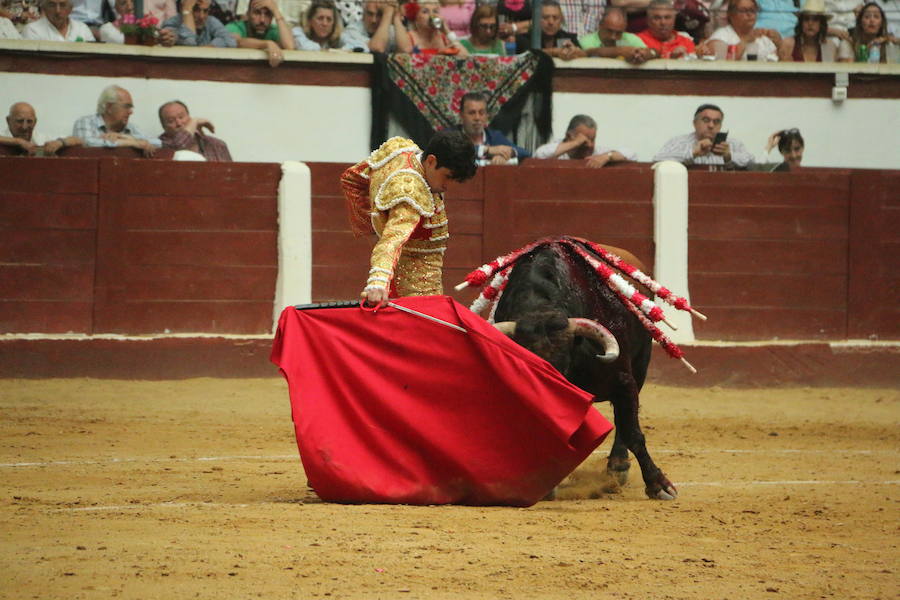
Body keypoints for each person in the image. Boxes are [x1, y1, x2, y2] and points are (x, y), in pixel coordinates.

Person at [341, 131, 477, 307]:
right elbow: (392, 239)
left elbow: (351, 180)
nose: (448, 186)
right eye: (447, 177)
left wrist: (372, 231)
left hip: (401, 276)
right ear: (431, 161)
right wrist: (378, 280)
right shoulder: (411, 192)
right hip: (416, 289)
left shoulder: (399, 150)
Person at [653, 103, 754, 169]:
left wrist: (729, 156)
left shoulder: (733, 144)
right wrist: (692, 153)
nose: (711, 125)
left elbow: (752, 164)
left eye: (716, 122)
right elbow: (657, 160)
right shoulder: (679, 142)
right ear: (695, 123)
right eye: (706, 120)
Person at [72, 85, 160, 156]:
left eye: (131, 107)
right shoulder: (85, 122)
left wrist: (128, 138)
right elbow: (86, 143)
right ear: (109, 107)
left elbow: (158, 143)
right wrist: (131, 143)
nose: (131, 112)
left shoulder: (131, 127)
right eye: (126, 107)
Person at [533, 114, 637, 167]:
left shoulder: (598, 152)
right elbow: (539, 155)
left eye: (593, 139)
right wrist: (575, 143)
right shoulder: (557, 150)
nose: (590, 145)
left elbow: (632, 154)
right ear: (569, 136)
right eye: (584, 141)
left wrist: (607, 157)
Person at [456, 91, 529, 166]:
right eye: (472, 113)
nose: (477, 118)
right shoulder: (451, 134)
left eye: (481, 113)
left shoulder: (494, 136)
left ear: (487, 116)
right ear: (461, 115)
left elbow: (526, 153)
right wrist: (487, 150)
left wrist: (508, 153)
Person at [158, 100, 232, 161]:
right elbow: (179, 145)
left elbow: (231, 172)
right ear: (164, 126)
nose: (179, 123)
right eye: (171, 121)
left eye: (181, 117)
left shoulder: (217, 145)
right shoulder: (159, 146)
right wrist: (195, 121)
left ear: (189, 117)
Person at [778, 0, 852, 62]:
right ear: (801, 23)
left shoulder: (830, 46)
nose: (810, 23)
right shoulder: (789, 44)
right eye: (806, 19)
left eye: (815, 19)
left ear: (821, 24)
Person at [226, 0, 294, 66]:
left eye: (267, 14)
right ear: (248, 14)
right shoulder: (235, 27)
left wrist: (276, 12)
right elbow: (237, 42)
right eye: (257, 13)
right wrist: (267, 44)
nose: (262, 20)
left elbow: (289, 47)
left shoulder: (273, 30)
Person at [708, 0, 782, 60]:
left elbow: (779, 64)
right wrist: (746, 40)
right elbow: (721, 65)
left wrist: (779, 45)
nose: (749, 14)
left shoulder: (764, 39)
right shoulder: (721, 36)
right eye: (743, 10)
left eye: (752, 10)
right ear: (731, 14)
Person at [1, 102, 81, 155]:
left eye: (29, 121)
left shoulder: (41, 138)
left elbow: (78, 140)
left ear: (35, 122)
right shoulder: (2, 136)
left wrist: (60, 142)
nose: (24, 127)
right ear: (8, 121)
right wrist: (18, 141)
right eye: (20, 121)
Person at [580, 7, 655, 63]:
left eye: (619, 33)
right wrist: (620, 51)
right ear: (600, 25)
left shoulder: (631, 38)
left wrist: (645, 54)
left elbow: (652, 52)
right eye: (609, 31)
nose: (613, 37)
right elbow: (587, 53)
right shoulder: (586, 41)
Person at [516, 0, 583, 58]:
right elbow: (527, 55)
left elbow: (583, 54)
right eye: (545, 17)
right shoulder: (524, 38)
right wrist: (553, 52)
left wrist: (575, 52)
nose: (551, 22)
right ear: (536, 19)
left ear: (561, 20)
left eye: (555, 18)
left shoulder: (569, 38)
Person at [341, 0, 413, 53]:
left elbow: (406, 50)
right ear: (363, 14)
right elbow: (377, 48)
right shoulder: (351, 31)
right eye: (370, 14)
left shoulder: (389, 29)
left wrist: (396, 16)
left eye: (379, 15)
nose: (374, 20)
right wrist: (387, 14)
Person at [159, 0, 237, 47]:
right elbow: (189, 43)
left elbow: (231, 41)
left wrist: (206, 49)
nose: (201, 16)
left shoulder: (210, 21)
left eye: (205, 11)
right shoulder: (171, 23)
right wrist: (187, 11)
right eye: (195, 9)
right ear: (182, 8)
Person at [405, 0, 469, 56]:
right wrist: (439, 53)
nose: (432, 15)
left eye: (435, 11)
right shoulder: (409, 37)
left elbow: (465, 56)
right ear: (415, 17)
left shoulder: (444, 38)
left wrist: (447, 31)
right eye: (425, 12)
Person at [22, 0, 96, 41]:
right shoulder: (32, 30)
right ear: (44, 9)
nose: (58, 11)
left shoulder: (82, 29)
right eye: (52, 5)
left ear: (70, 9)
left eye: (63, 5)